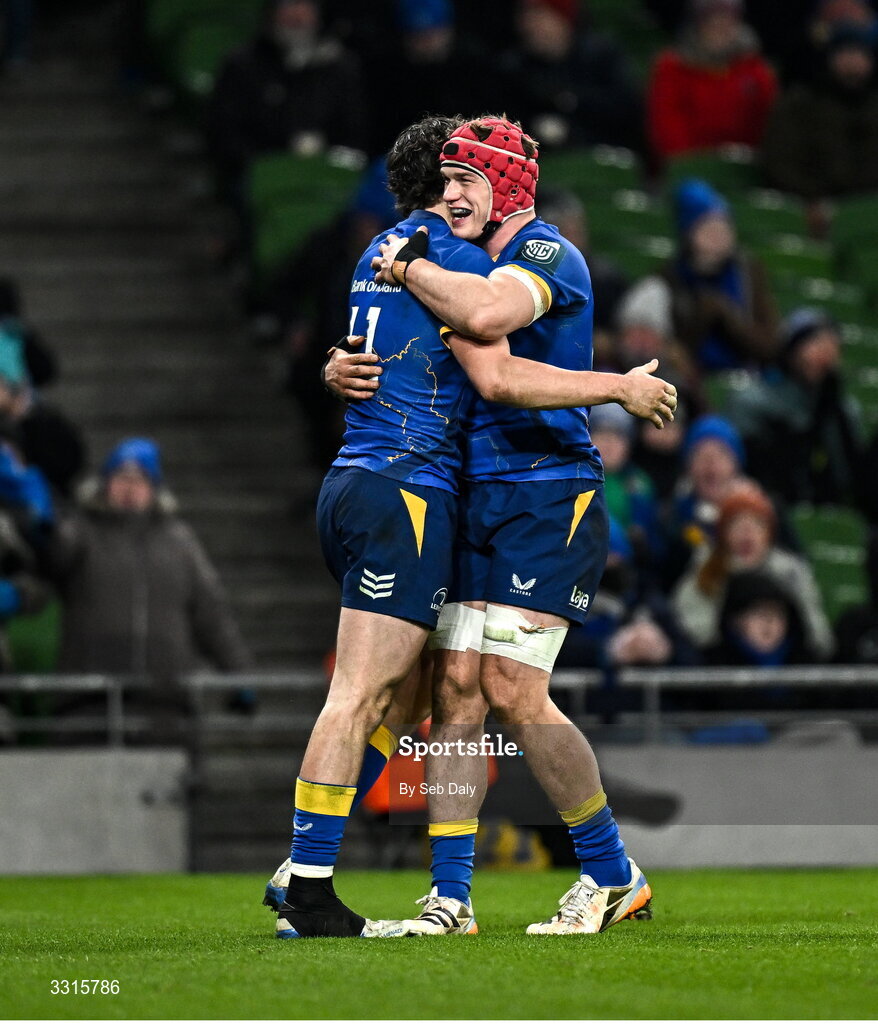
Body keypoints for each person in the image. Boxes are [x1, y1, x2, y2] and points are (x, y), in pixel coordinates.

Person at [270, 115, 675, 939]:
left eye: (469, 182)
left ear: (510, 188)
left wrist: (618, 387)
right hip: (466, 495)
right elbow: (389, 343)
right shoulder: (451, 262)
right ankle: (450, 897)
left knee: (512, 691)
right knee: (449, 691)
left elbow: (491, 358)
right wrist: (337, 364)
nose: (452, 195)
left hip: (545, 494)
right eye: (446, 182)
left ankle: (609, 871)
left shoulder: (538, 254)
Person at [46, 438, 251, 682]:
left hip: (165, 698)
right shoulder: (80, 532)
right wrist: (45, 525)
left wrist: (239, 673)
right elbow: (50, 563)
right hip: (91, 696)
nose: (129, 489)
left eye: (139, 480)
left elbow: (211, 612)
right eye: (121, 478)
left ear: (154, 488)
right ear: (104, 483)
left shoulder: (179, 542)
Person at [207, 0, 366, 202]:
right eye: (288, 5)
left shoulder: (339, 65)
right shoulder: (243, 65)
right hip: (258, 177)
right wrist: (265, 164)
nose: (297, 15)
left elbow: (354, 129)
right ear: (272, 12)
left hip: (325, 175)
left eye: (305, 6)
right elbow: (225, 130)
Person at [672, 480, 833, 659]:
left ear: (769, 534)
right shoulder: (707, 570)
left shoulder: (790, 572)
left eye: (757, 524)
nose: (747, 532)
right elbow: (693, 628)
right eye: (737, 524)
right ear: (724, 534)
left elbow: (816, 633)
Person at [726, 308, 865, 505]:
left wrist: (829, 409)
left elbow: (846, 476)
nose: (824, 353)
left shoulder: (841, 410)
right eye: (815, 342)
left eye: (832, 345)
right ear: (792, 349)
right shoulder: (754, 400)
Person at [763, 18, 878, 225]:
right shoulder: (799, 104)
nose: (852, 62)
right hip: (810, 211)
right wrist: (812, 200)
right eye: (845, 53)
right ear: (830, 58)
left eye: (859, 54)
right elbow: (780, 162)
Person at [493, 0, 643, 151]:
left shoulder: (601, 57)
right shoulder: (515, 68)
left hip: (605, 155)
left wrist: (570, 101)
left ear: (563, 18)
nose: (530, 24)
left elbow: (626, 111)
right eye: (525, 15)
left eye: (540, 14)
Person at [662, 179, 780, 373]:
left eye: (724, 226)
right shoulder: (670, 277)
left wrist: (726, 315)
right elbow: (673, 349)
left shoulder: (748, 271)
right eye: (707, 228)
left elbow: (770, 345)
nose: (719, 235)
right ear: (688, 232)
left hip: (748, 376)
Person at [647, 0, 778, 163]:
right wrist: (694, 161)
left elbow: (768, 122)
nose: (720, 28)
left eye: (727, 21)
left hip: (746, 165)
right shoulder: (672, 67)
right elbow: (666, 125)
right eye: (712, 21)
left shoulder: (755, 70)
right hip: (688, 167)